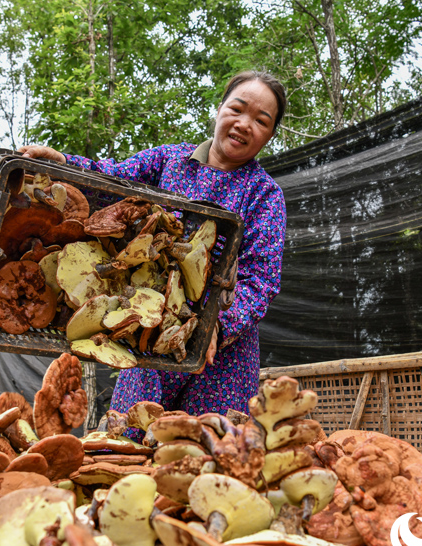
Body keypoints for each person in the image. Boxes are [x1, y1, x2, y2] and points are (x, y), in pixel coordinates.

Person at [20, 71, 287, 437]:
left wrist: (213, 325)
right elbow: (112, 181)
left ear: (269, 135)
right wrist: (64, 162)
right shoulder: (169, 161)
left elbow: (261, 280)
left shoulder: (264, 194)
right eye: (237, 109)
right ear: (220, 108)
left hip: (221, 353)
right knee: (131, 441)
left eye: (261, 121)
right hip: (147, 325)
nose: (244, 124)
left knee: (209, 451)